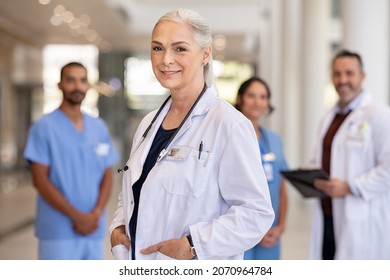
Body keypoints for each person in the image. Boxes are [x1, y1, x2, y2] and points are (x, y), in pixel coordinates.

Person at [109, 8, 274, 260]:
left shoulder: (229, 125)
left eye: (180, 49)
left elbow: (256, 213)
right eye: (157, 48)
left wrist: (194, 244)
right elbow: (134, 189)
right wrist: (118, 226)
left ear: (205, 55)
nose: (166, 60)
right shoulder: (147, 125)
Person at [24, 62, 119, 260]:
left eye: (82, 80)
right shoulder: (44, 127)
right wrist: (78, 217)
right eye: (70, 80)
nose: (77, 86)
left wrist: (95, 214)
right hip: (58, 231)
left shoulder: (98, 127)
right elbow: (40, 180)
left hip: (93, 228)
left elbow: (107, 176)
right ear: (60, 85)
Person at [310, 49, 390, 259]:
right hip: (328, 214)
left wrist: (350, 186)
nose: (342, 80)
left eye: (349, 73)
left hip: (360, 216)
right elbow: (319, 157)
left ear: (362, 76)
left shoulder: (379, 115)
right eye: (337, 74)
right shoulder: (329, 116)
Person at [235, 77, 288, 260]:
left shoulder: (274, 140)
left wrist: (280, 226)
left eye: (263, 97)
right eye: (251, 96)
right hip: (239, 232)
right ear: (240, 99)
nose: (257, 102)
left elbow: (281, 186)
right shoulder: (230, 138)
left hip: (270, 233)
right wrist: (254, 231)